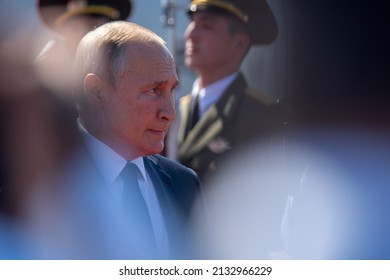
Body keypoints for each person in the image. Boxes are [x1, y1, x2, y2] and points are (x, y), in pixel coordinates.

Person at [71, 20, 206, 259]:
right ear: (96, 91)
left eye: (172, 90)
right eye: (154, 90)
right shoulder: (41, 186)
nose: (170, 112)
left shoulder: (183, 183)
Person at [176, 0, 283, 184]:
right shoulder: (174, 109)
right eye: (191, 23)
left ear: (239, 43)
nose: (190, 34)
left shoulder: (266, 117)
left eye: (206, 25)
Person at [35, 0, 132, 93]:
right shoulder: (42, 88)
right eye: (74, 29)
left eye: (94, 27)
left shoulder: (134, 80)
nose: (84, 37)